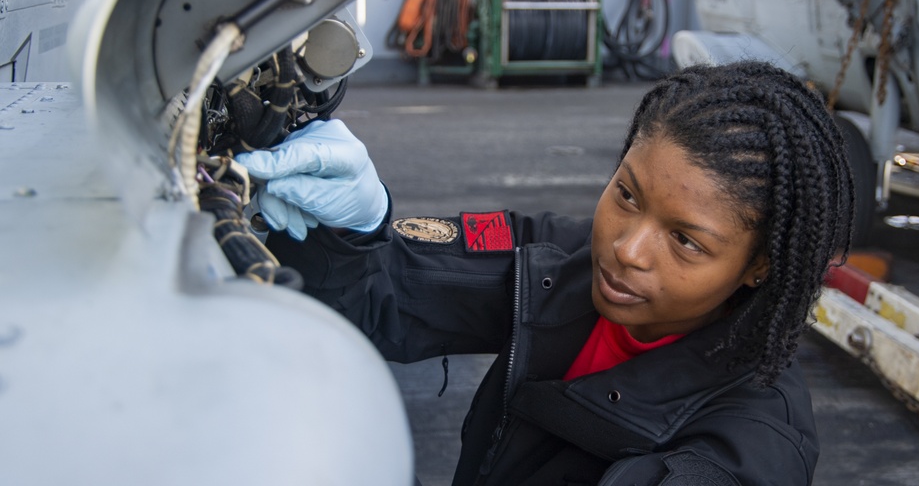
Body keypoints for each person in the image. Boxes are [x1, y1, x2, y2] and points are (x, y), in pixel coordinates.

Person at [235, 60, 855, 485]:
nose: (627, 249)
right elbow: (379, 301)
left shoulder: (749, 447)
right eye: (628, 195)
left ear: (757, 267)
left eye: (686, 241)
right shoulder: (554, 260)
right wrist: (352, 233)